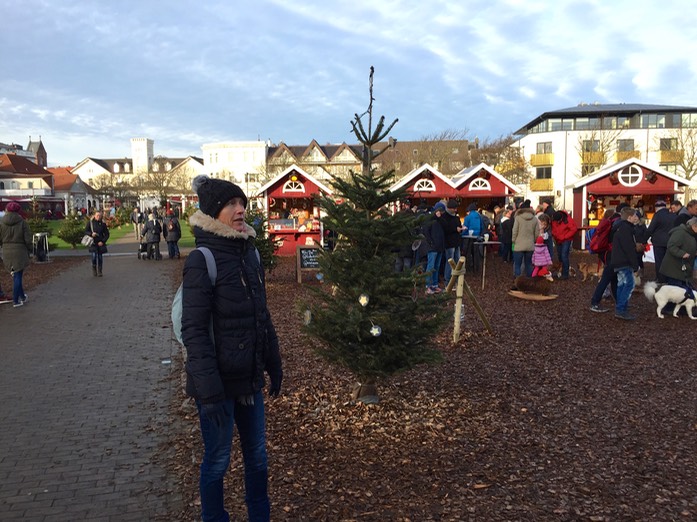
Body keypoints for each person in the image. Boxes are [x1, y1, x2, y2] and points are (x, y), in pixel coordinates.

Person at [181, 175, 282, 522]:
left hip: (249, 381)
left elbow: (260, 315)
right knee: (217, 461)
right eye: (231, 205)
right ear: (214, 213)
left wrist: (273, 361)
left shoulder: (249, 254)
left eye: (242, 203)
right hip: (218, 387)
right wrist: (208, 393)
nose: (241, 210)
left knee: (257, 457)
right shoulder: (202, 260)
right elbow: (193, 331)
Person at [589, 205, 622, 313]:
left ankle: (619, 302)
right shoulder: (616, 224)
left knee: (613, 279)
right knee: (606, 279)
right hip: (611, 254)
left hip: (605, 253)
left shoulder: (607, 223)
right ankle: (595, 302)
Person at [610, 206, 641, 320]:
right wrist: (635, 265)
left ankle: (621, 307)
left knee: (621, 285)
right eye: (634, 216)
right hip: (624, 261)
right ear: (629, 217)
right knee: (629, 285)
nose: (636, 218)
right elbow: (629, 249)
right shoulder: (626, 230)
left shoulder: (620, 227)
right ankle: (621, 309)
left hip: (618, 261)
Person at [0, 201, 31, 307]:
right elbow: (28, 239)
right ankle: (16, 300)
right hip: (20, 250)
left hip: (7, 250)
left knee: (15, 275)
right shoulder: (23, 223)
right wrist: (30, 249)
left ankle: (22, 296)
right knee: (18, 275)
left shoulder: (2, 223)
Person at [659, 216, 697, 288]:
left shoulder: (690, 234)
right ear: (694, 226)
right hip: (674, 269)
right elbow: (671, 245)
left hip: (681, 268)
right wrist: (682, 254)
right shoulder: (680, 232)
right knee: (676, 291)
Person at [645, 200, 675, 283]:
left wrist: (643, 240)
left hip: (658, 242)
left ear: (656, 207)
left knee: (659, 261)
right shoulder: (673, 215)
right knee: (669, 261)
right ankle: (669, 278)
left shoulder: (657, 215)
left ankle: (661, 279)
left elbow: (650, 229)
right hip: (671, 242)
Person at [422, 202, 446, 294]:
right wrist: (431, 242)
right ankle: (428, 285)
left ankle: (435, 285)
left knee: (437, 266)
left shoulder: (440, 220)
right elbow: (426, 231)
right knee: (431, 266)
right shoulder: (429, 218)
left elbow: (444, 226)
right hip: (433, 246)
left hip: (439, 246)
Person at [511, 201, 539, 278]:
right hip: (530, 245)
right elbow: (537, 233)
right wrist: (534, 240)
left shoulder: (518, 218)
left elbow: (514, 231)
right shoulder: (534, 219)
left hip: (519, 245)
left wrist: (513, 240)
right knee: (529, 264)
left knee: (517, 265)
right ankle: (529, 282)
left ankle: (518, 282)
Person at [440, 199, 463, 284]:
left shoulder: (456, 217)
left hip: (456, 242)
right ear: (449, 208)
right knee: (450, 262)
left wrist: (461, 229)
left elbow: (458, 226)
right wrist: (455, 229)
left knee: (458, 262)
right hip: (449, 243)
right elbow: (445, 229)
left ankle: (457, 280)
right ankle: (448, 281)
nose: (455, 210)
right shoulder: (444, 217)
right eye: (454, 208)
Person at [551, 209, 578, 279]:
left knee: (564, 255)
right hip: (558, 240)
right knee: (560, 256)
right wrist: (555, 235)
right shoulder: (554, 219)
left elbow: (574, 229)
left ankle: (565, 274)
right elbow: (553, 229)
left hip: (566, 240)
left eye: (558, 221)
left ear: (561, 218)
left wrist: (565, 237)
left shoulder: (568, 220)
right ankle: (560, 272)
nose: (557, 222)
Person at [86, 210, 110, 277]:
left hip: (100, 243)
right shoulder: (90, 223)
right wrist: (91, 234)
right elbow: (86, 231)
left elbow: (107, 234)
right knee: (93, 257)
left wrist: (103, 241)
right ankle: (94, 269)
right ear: (94, 215)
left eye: (100, 216)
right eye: (97, 215)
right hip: (93, 242)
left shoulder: (103, 224)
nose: (98, 217)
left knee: (100, 257)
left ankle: (100, 271)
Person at [461, 203, 483, 272]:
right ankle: (476, 268)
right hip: (477, 236)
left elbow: (465, 227)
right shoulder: (479, 216)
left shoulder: (468, 217)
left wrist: (462, 235)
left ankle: (468, 268)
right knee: (476, 253)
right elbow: (482, 226)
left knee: (468, 252)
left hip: (468, 237)